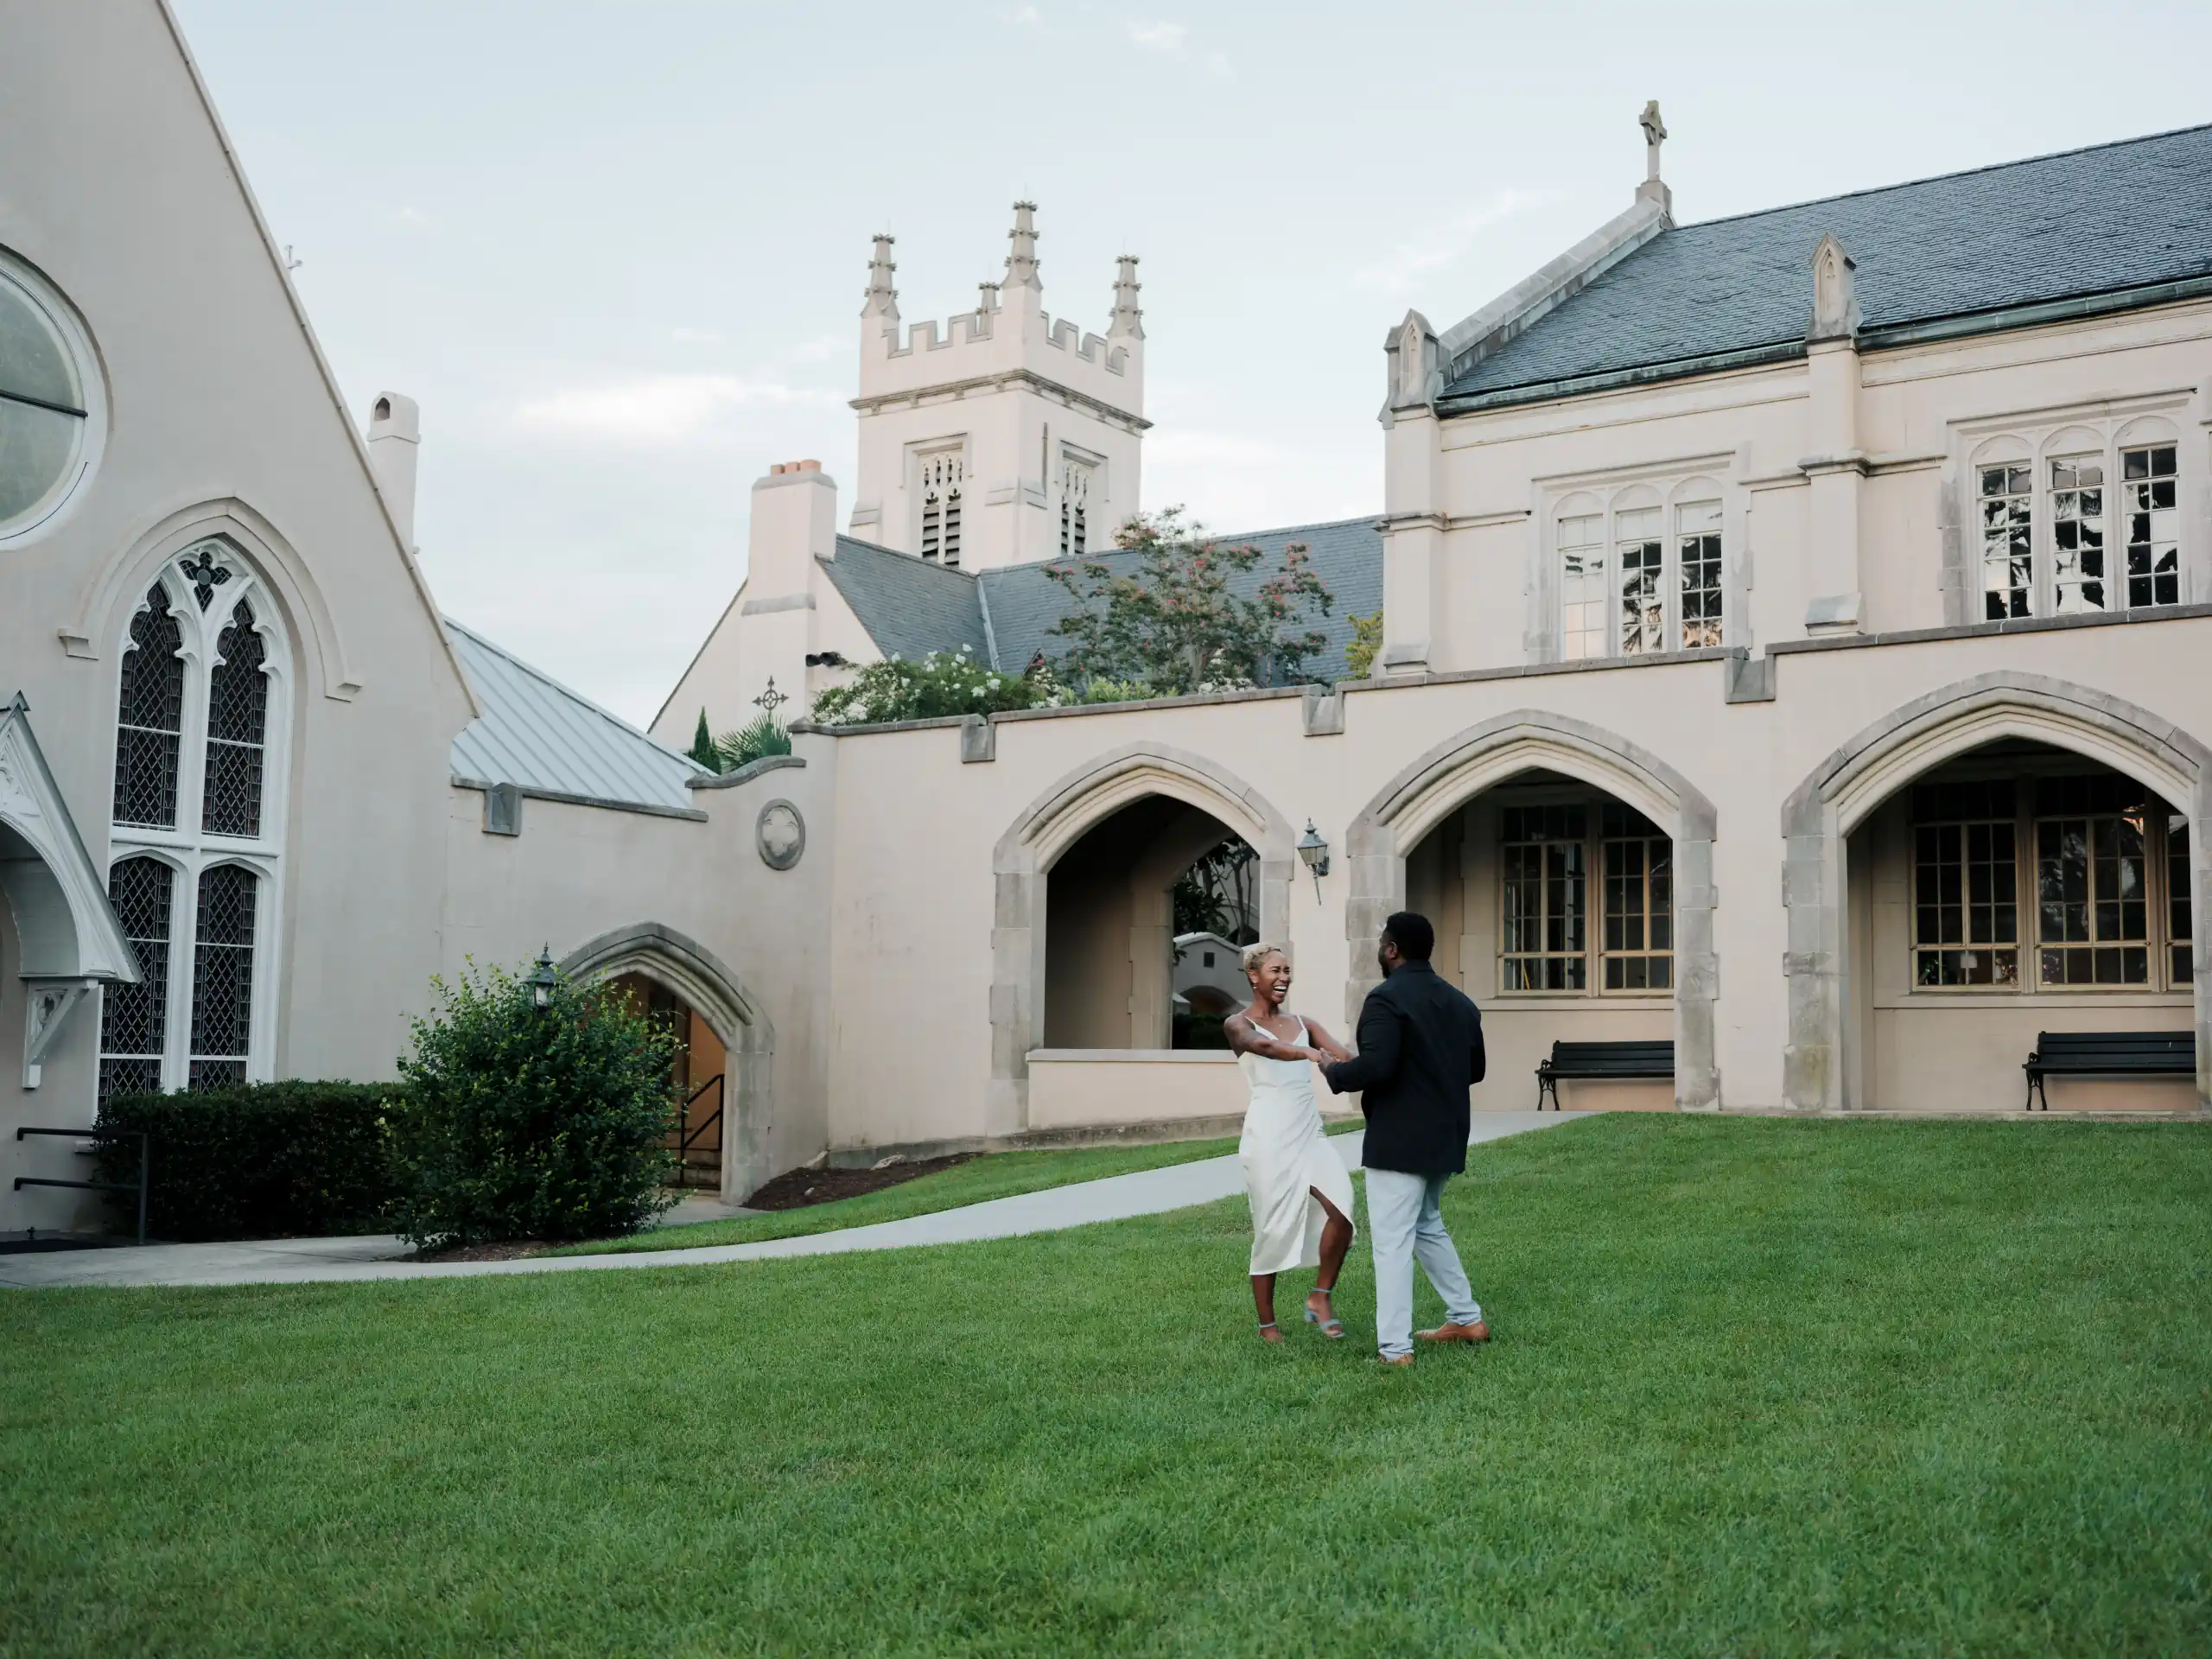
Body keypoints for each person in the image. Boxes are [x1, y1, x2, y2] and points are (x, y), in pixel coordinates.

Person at [1319, 911, 1490, 1367]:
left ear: (1392, 949)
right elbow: (1475, 1070)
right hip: (1446, 1136)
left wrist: (1333, 1070)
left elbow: (1376, 1067)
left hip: (1399, 1140)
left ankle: (1395, 1350)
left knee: (1392, 1241)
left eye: (1382, 942)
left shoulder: (1385, 1000)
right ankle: (1466, 1318)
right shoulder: (1461, 1003)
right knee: (1427, 1225)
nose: (1379, 947)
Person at [1223, 943, 1357, 1344]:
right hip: (1268, 1138)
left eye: (1287, 971)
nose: (1284, 978)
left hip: (1308, 1132)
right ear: (1254, 976)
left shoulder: (1305, 1022)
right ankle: (1268, 1325)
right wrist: (1307, 1053)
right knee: (1273, 1228)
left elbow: (1345, 1057)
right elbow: (1262, 1047)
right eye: (1275, 971)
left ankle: (1321, 1296)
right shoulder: (1237, 1023)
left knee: (1342, 1210)